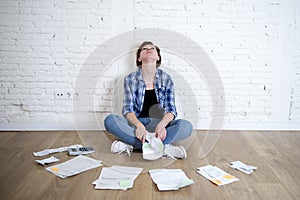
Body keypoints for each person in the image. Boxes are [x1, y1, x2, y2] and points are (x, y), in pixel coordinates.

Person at [104, 41, 193, 159]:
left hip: (159, 127)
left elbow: (171, 110)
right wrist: (139, 126)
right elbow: (128, 110)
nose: (148, 49)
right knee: (110, 120)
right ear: (139, 58)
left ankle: (133, 145)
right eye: (144, 49)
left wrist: (162, 124)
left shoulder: (166, 79)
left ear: (158, 57)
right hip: (137, 125)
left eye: (152, 48)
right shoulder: (130, 79)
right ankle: (162, 147)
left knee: (186, 126)